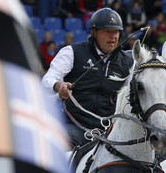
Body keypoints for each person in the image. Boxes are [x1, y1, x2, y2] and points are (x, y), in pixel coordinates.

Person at [42, 8, 133, 147]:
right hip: (75, 127)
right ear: (93, 32)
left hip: (111, 130)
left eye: (115, 32)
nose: (113, 37)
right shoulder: (72, 52)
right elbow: (47, 80)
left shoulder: (128, 61)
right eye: (106, 32)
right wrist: (59, 86)